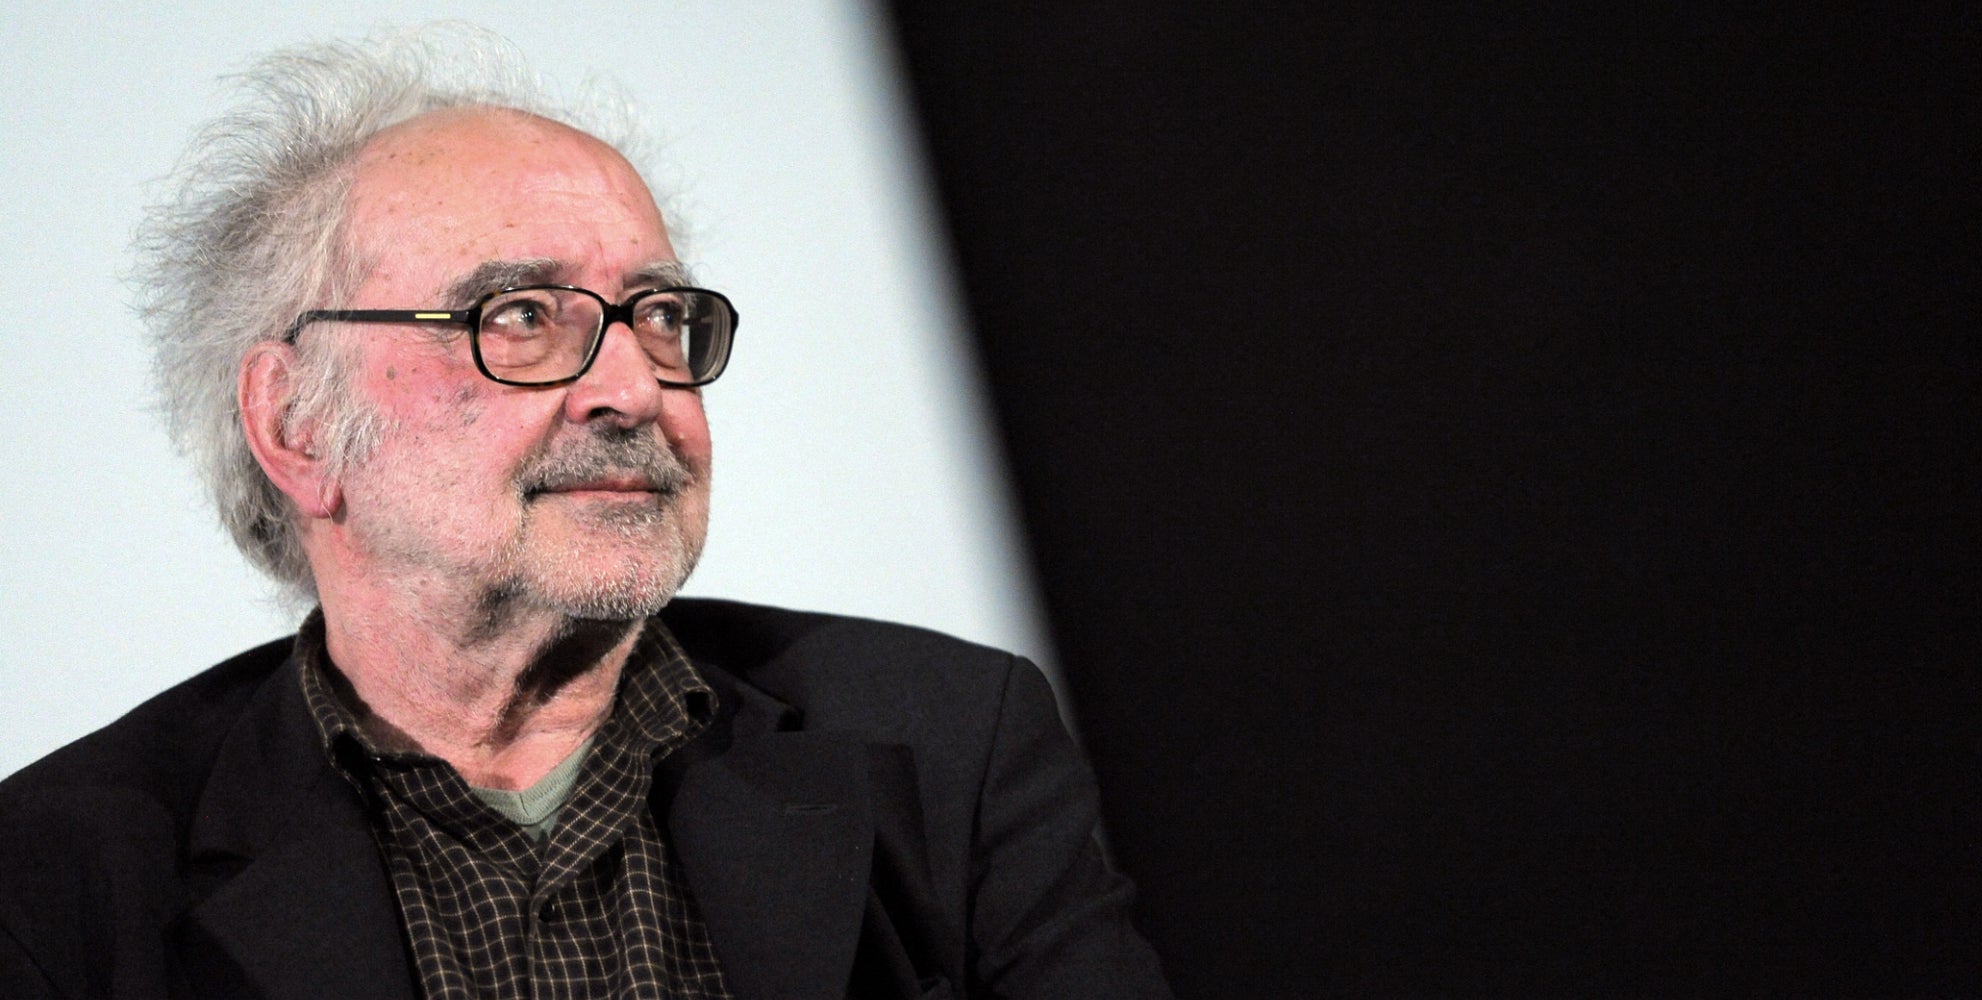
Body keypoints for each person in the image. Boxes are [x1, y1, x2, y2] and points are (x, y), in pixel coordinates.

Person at [0, 25, 1170, 1000]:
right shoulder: (58, 881)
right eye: (518, 317)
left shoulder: (949, 745)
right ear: (297, 422)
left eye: (657, 315)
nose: (632, 388)